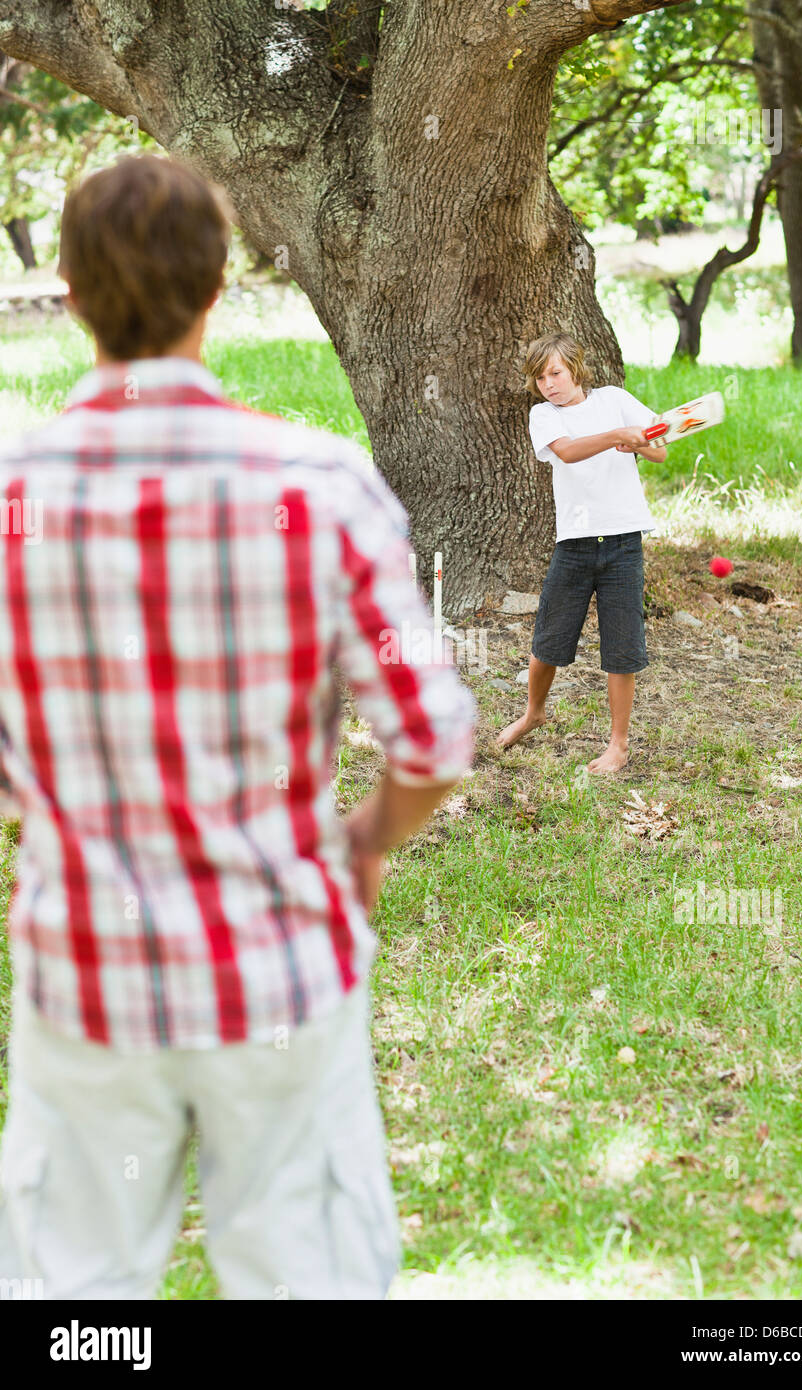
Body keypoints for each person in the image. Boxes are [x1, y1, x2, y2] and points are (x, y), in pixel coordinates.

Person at [0, 153, 477, 1300]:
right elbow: (431, 734)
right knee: (305, 1269)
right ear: (219, 286)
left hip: (85, 971)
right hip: (279, 971)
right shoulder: (316, 483)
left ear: (67, 290)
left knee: (72, 1289)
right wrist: (362, 843)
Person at [497, 332, 666, 772]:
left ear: (575, 366)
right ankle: (534, 712)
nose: (548, 383)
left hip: (624, 540)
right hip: (573, 544)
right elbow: (569, 453)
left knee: (621, 647)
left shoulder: (615, 399)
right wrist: (616, 437)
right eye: (539, 377)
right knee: (548, 641)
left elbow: (660, 451)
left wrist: (639, 443)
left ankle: (619, 746)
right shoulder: (543, 415)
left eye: (555, 372)